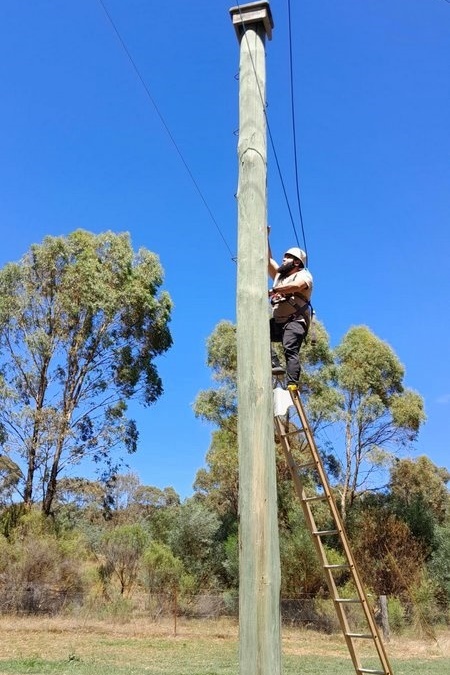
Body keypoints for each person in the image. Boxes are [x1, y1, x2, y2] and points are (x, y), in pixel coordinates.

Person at [268, 236, 313, 391]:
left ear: (296, 262)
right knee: (257, 332)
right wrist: (265, 236)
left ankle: (292, 384)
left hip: (295, 321)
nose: (283, 259)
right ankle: (274, 362)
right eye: (284, 256)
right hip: (278, 322)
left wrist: (275, 290)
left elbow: (297, 286)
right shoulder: (279, 278)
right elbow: (268, 260)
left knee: (290, 348)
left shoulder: (303, 275)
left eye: (287, 257)